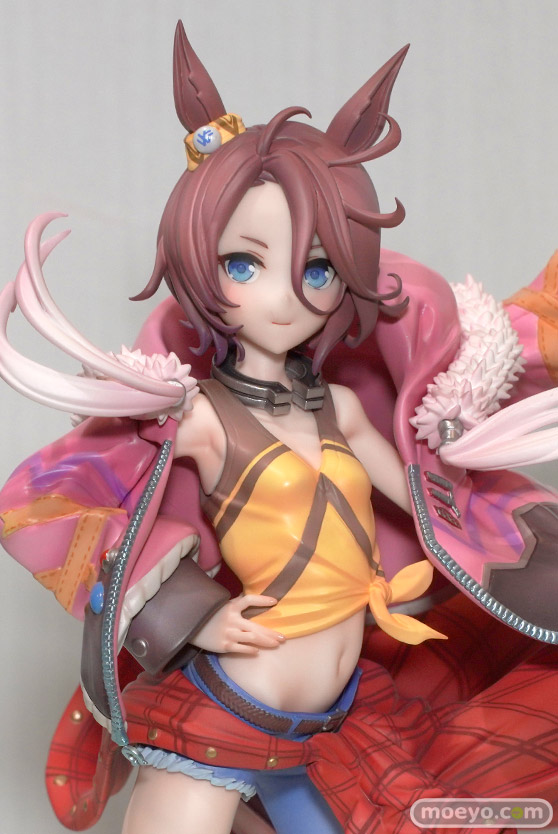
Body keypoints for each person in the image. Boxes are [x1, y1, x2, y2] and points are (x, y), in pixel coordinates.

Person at [1, 21, 558, 834]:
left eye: (318, 267)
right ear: (199, 263)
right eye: (244, 263)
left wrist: (462, 478)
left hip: (339, 716)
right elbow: (44, 504)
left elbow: (429, 507)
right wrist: (186, 613)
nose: (287, 293)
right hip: (233, 714)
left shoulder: (342, 407)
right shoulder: (197, 417)